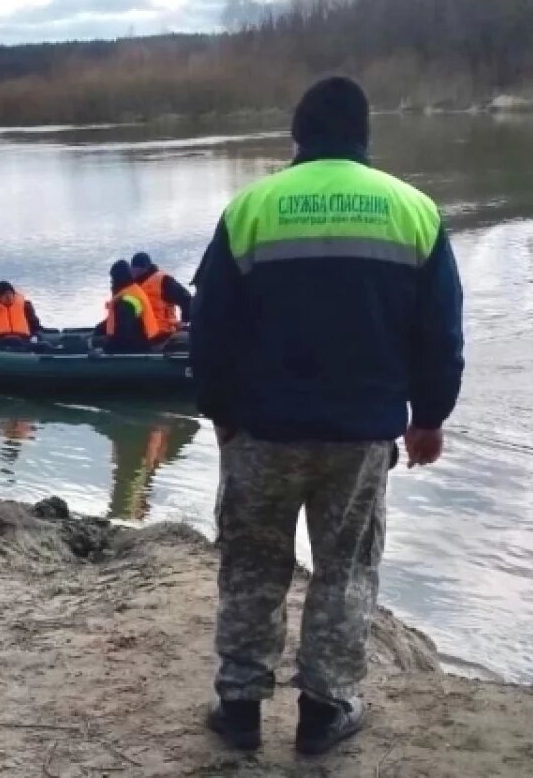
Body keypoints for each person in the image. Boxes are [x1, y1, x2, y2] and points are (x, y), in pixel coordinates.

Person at [191, 77, 464, 755]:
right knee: (344, 570)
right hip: (360, 433)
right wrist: (428, 417)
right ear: (365, 135)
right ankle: (324, 711)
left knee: (253, 565)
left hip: (261, 430)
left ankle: (239, 708)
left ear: (297, 135)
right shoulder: (414, 211)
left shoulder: (251, 208)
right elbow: (441, 334)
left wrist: (221, 414)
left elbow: (209, 328)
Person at [94, 260, 159, 353]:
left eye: (113, 279)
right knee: (97, 339)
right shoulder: (131, 290)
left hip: (139, 346)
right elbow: (117, 321)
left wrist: (105, 349)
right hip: (144, 340)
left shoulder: (126, 302)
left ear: (118, 279)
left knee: (97, 344)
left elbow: (124, 334)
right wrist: (99, 329)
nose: (111, 282)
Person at [129, 252, 191, 336]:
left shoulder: (164, 281)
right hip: (141, 334)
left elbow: (186, 298)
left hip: (164, 332)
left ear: (145, 268)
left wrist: (184, 321)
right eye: (132, 268)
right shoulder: (132, 285)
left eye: (136, 268)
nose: (133, 271)